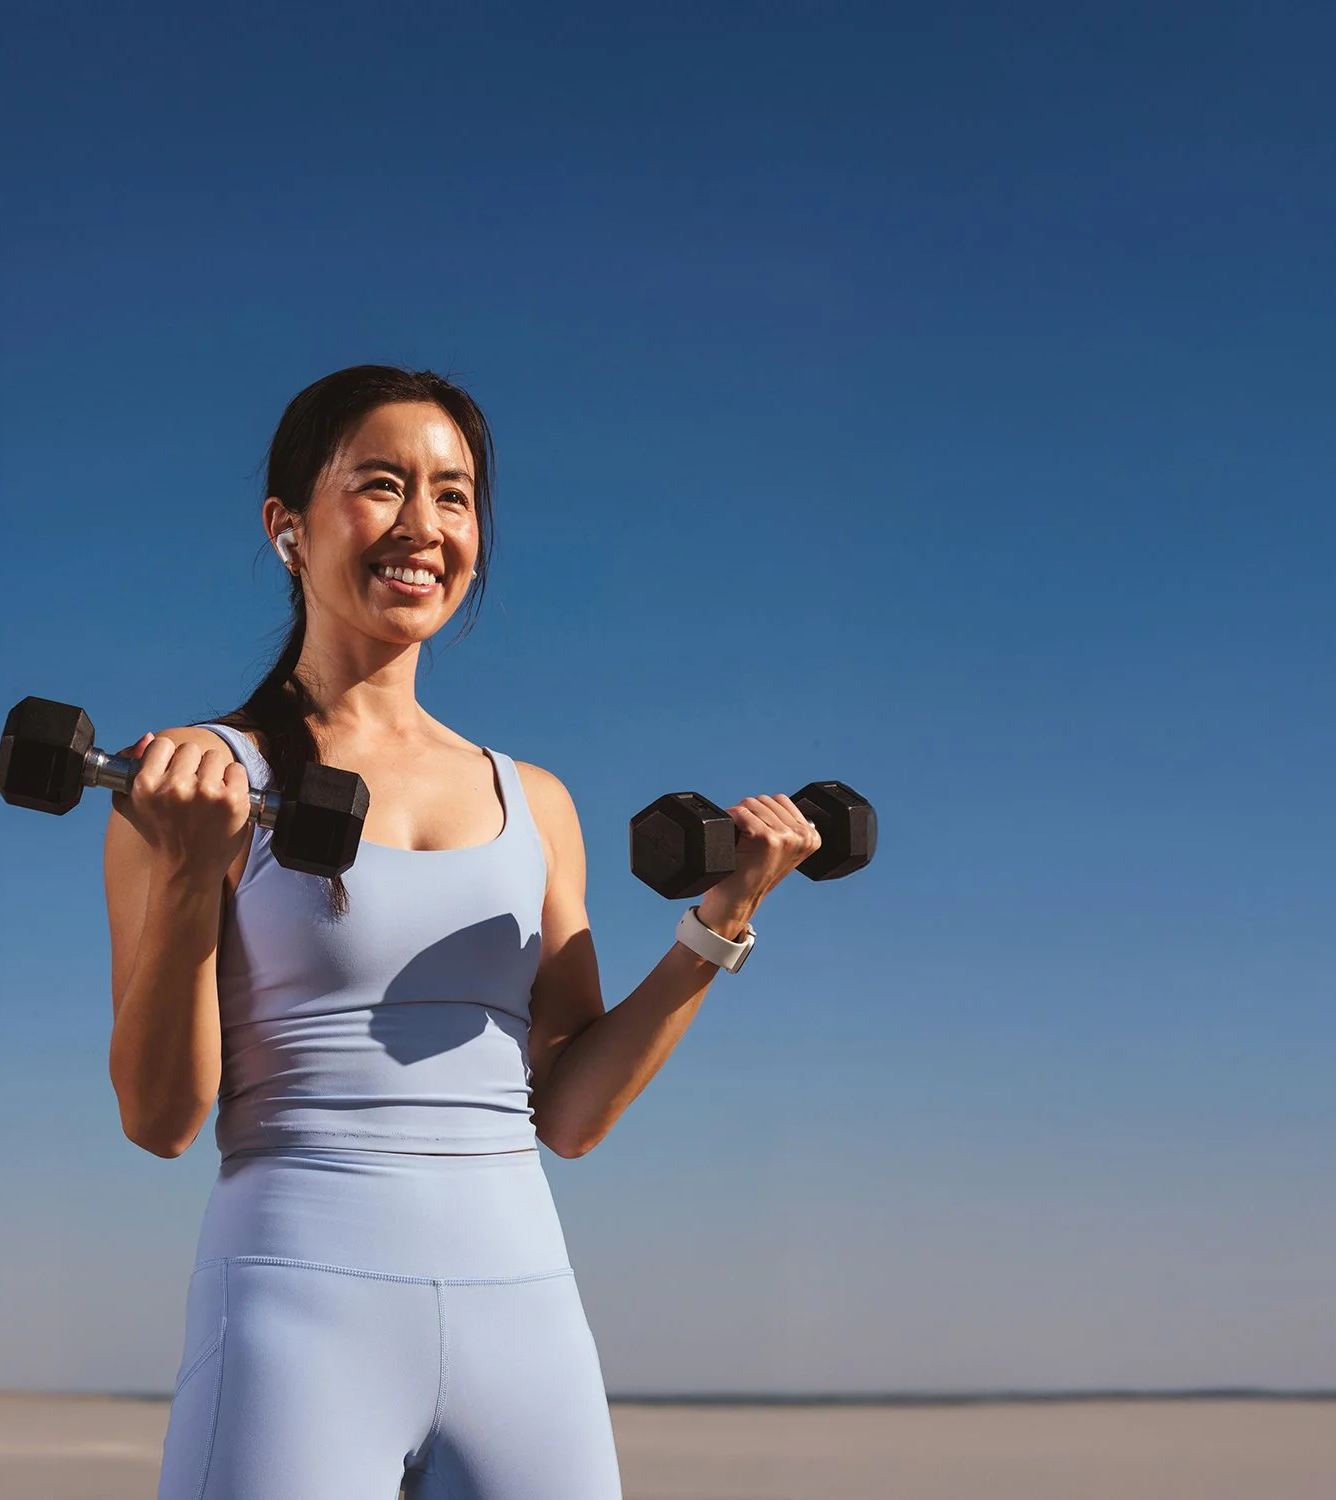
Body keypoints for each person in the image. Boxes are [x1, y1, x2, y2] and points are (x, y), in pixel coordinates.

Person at [103, 365, 821, 1500]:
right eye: (380, 485)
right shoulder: (197, 784)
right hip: (297, 1309)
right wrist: (193, 872)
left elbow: (572, 1115)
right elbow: (158, 1118)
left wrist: (724, 918)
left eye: (454, 493)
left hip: (524, 1311)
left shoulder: (533, 801)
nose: (421, 526)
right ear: (287, 528)